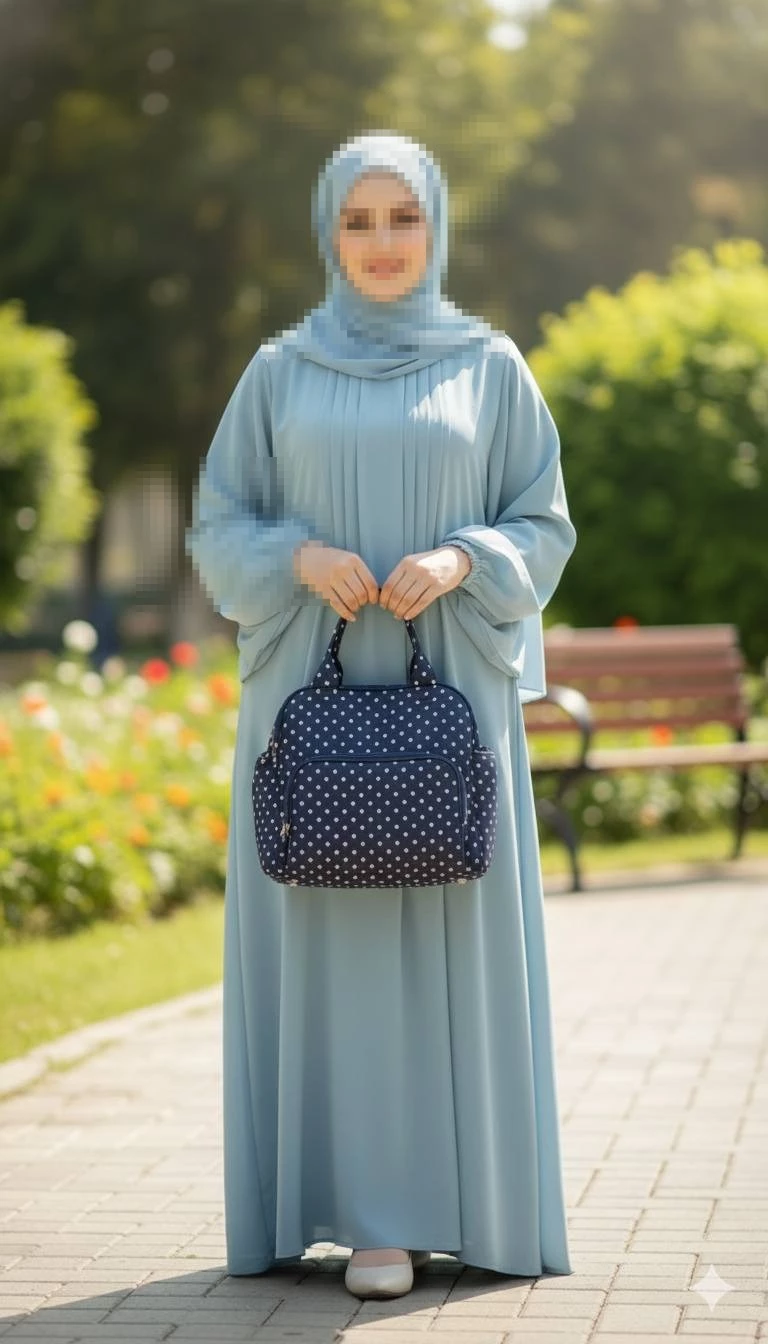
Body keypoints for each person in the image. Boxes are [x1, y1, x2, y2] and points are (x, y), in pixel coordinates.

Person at [185, 130, 577, 1302]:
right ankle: (349, 1214)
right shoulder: (279, 371)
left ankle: (456, 1209)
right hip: (307, 703)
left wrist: (465, 559)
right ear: (328, 232)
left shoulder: (493, 366)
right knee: (330, 948)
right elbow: (215, 527)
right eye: (358, 221)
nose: (383, 243)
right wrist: (293, 556)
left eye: (403, 217)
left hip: (445, 700)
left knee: (448, 929)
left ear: (437, 225)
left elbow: (543, 523)